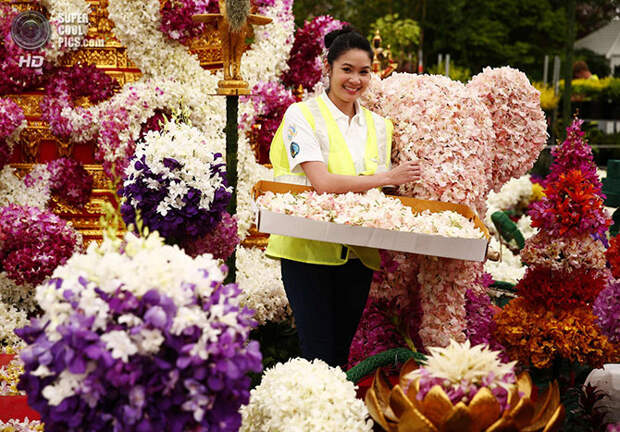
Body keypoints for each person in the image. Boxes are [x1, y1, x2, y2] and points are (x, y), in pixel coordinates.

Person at [265, 27, 421, 368]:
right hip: (307, 253)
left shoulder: (381, 126)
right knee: (317, 353)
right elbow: (320, 181)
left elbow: (376, 195)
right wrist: (388, 177)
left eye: (363, 72)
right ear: (328, 68)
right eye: (346, 70)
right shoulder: (301, 116)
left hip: (357, 255)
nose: (355, 80)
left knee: (339, 354)